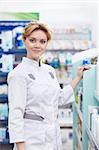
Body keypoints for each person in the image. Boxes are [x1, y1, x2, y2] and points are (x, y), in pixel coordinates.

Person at [7, 21, 88, 150]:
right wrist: (21, 146)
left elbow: (59, 98)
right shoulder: (18, 74)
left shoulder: (49, 71)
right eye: (32, 40)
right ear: (24, 41)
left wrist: (78, 77)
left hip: (52, 138)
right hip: (31, 141)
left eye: (42, 41)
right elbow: (15, 115)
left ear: (46, 44)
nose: (37, 45)